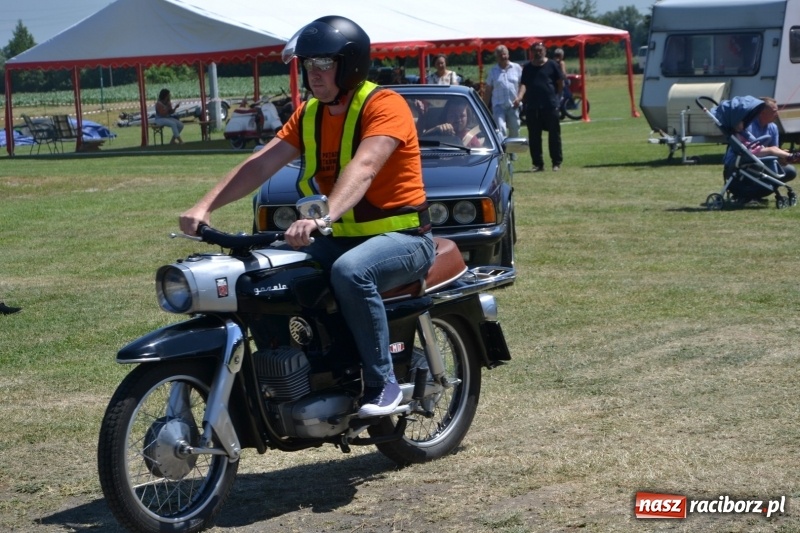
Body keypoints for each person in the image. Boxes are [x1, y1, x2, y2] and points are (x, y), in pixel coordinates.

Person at [179, 16, 435, 418]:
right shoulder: (310, 113)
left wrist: (324, 215)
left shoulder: (384, 105)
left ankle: (382, 381)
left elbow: (365, 165)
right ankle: (304, 373)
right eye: (308, 64)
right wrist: (204, 205)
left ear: (350, 65)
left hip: (404, 239)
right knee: (266, 273)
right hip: (337, 238)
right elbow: (261, 164)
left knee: (353, 272)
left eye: (324, 63)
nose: (314, 73)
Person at [514, 42, 564, 172]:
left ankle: (556, 162)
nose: (538, 52)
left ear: (545, 51)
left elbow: (560, 83)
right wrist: (519, 97)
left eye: (540, 50)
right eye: (535, 50)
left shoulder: (552, 65)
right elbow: (523, 84)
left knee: (554, 135)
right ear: (531, 52)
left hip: (550, 105)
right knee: (534, 136)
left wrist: (556, 99)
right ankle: (538, 164)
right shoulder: (528, 68)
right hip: (532, 106)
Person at [483, 45, 522, 138]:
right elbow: (488, 90)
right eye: (500, 55)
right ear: (496, 57)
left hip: (513, 105)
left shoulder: (517, 68)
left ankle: (512, 152)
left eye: (504, 54)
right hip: (498, 106)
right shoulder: (493, 71)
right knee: (501, 130)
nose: (503, 57)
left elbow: (522, 85)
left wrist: (520, 97)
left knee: (515, 129)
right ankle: (502, 152)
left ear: (508, 54)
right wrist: (484, 106)